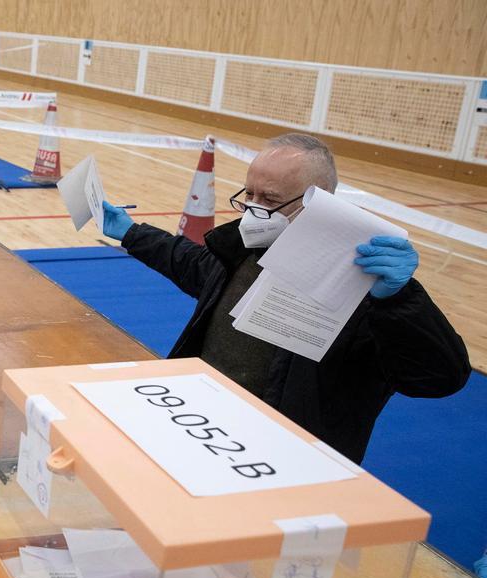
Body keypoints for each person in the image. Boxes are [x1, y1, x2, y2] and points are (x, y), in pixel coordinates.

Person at [99, 133, 470, 464]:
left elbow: (438, 378)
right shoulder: (247, 247)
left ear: (320, 202)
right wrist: (131, 233)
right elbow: (193, 265)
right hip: (200, 428)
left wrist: (400, 301)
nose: (254, 208)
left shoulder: (364, 288)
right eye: (249, 195)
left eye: (270, 198)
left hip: (287, 460)